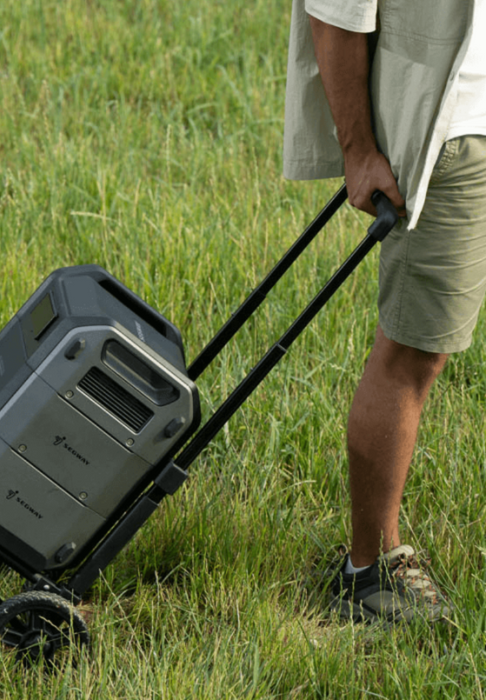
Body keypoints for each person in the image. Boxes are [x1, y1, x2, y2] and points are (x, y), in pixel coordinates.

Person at [283, 0, 486, 623]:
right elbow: (334, 10)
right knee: (414, 351)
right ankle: (368, 573)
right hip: (455, 134)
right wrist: (358, 149)